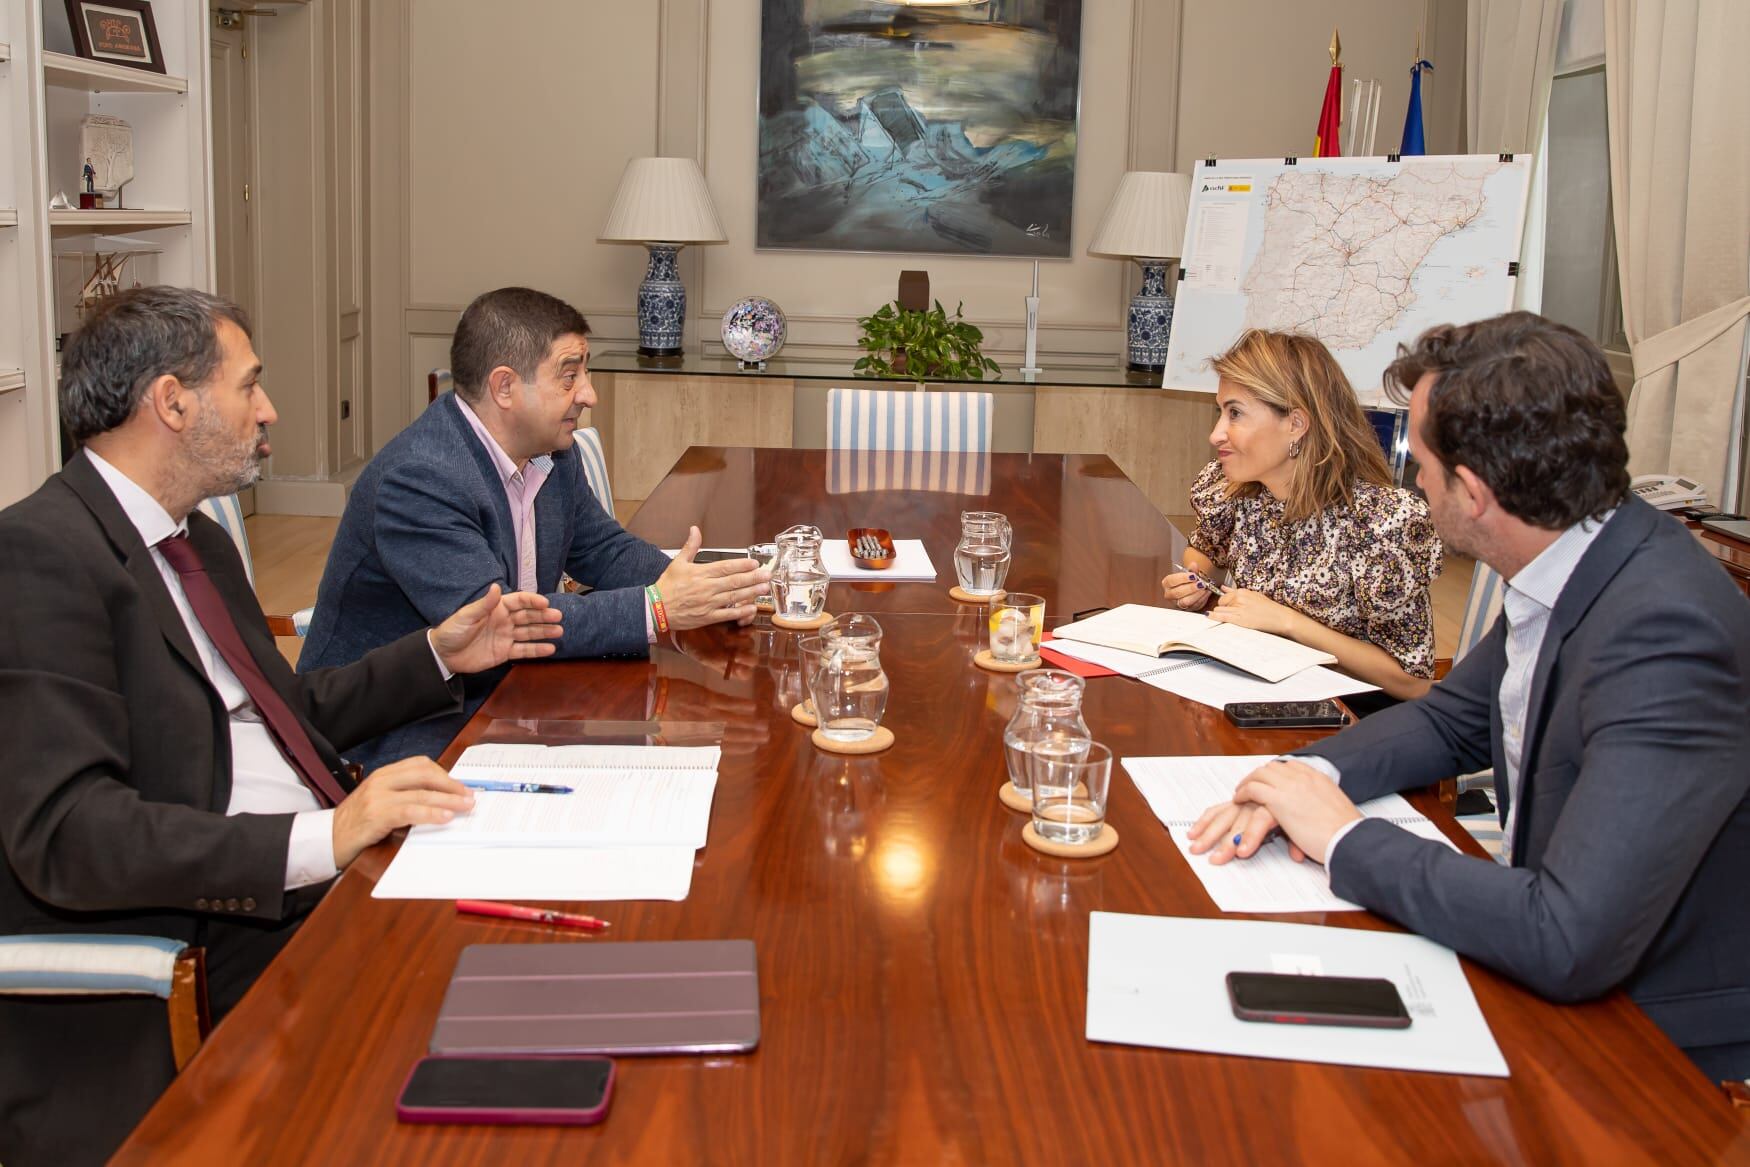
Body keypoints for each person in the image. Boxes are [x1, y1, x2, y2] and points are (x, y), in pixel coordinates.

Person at [0, 286, 565, 1166]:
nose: (268, 410)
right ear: (173, 402)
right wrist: (322, 837)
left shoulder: (193, 541)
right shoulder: (39, 554)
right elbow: (68, 833)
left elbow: (283, 715)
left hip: (311, 869)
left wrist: (440, 655)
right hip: (213, 925)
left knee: (537, 955)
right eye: (249, 385)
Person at [1189, 312, 1750, 1081]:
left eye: (1419, 461)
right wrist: (1307, 775)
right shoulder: (1582, 555)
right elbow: (1454, 718)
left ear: (1475, 492)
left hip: (1649, 1043)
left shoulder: (1666, 636)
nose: (1411, 480)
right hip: (1549, 957)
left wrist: (1343, 837)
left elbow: (1566, 936)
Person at [298, 287, 769, 768]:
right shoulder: (422, 479)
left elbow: (601, 549)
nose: (589, 394)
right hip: (404, 732)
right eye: (569, 377)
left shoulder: (550, 451)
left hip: (516, 697)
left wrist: (705, 588)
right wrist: (659, 609)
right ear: (504, 387)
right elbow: (500, 625)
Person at [1161, 329, 1442, 702]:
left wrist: (1288, 623)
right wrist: (1197, 579)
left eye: (1235, 414)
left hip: (1342, 720)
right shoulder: (1237, 490)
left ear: (1296, 424)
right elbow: (1206, 551)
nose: (1216, 434)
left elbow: (1413, 683)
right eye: (1221, 412)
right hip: (1253, 694)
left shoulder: (1382, 524)